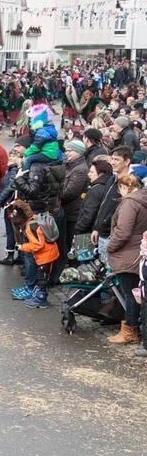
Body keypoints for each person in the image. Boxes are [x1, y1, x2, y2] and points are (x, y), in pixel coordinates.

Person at [105, 174, 147, 344]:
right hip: (139, 251)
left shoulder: (130, 203)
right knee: (138, 293)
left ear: (123, 187)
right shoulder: (143, 199)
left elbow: (123, 232)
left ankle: (130, 331)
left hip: (128, 253)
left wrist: (110, 247)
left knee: (130, 294)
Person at [14, 199, 59, 309]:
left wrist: (22, 247)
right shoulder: (39, 219)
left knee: (42, 279)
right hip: (51, 253)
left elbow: (38, 245)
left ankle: (41, 299)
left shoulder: (31, 226)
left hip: (44, 256)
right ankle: (39, 296)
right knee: (43, 278)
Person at [91, 147, 130, 263]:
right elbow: (103, 205)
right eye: (112, 159)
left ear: (127, 161)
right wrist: (96, 228)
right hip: (102, 234)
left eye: (116, 159)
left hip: (112, 236)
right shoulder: (112, 179)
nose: (112, 162)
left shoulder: (129, 184)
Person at [59, 139, 90, 256]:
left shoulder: (80, 170)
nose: (66, 153)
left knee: (72, 240)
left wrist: (57, 197)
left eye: (69, 151)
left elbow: (70, 192)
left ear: (78, 152)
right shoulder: (71, 166)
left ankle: (72, 262)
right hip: (69, 210)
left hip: (73, 211)